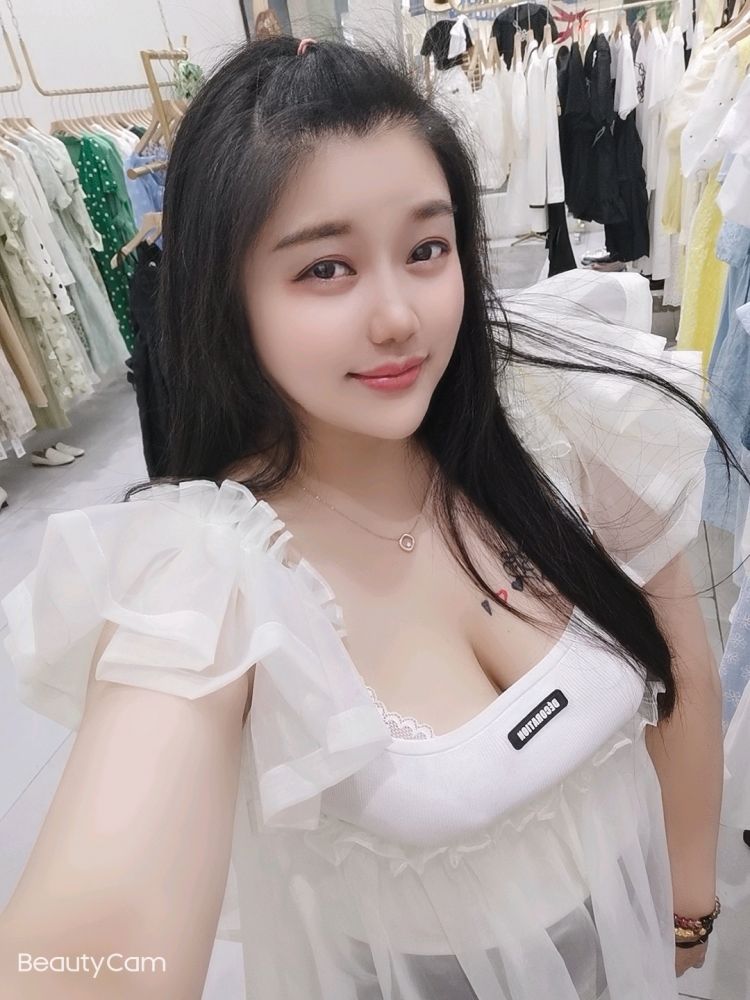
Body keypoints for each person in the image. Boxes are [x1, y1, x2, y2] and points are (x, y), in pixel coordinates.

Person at [0, 36, 739, 1000]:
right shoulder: (215, 575)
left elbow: (680, 661)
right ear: (226, 295)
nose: (399, 317)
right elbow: (98, 924)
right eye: (325, 269)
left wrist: (689, 904)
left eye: (427, 250)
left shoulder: (557, 418)